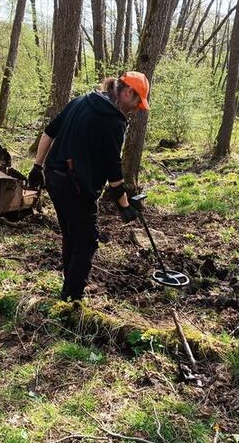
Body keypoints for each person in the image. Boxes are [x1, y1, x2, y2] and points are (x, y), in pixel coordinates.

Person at [27, 71, 150, 301]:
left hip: (54, 177)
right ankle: (72, 299)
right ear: (127, 92)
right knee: (86, 241)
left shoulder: (82, 100)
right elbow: (114, 169)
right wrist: (124, 206)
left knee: (71, 235)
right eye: (137, 102)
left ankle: (69, 288)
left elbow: (48, 132)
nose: (136, 108)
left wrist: (36, 167)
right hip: (75, 186)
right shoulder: (113, 120)